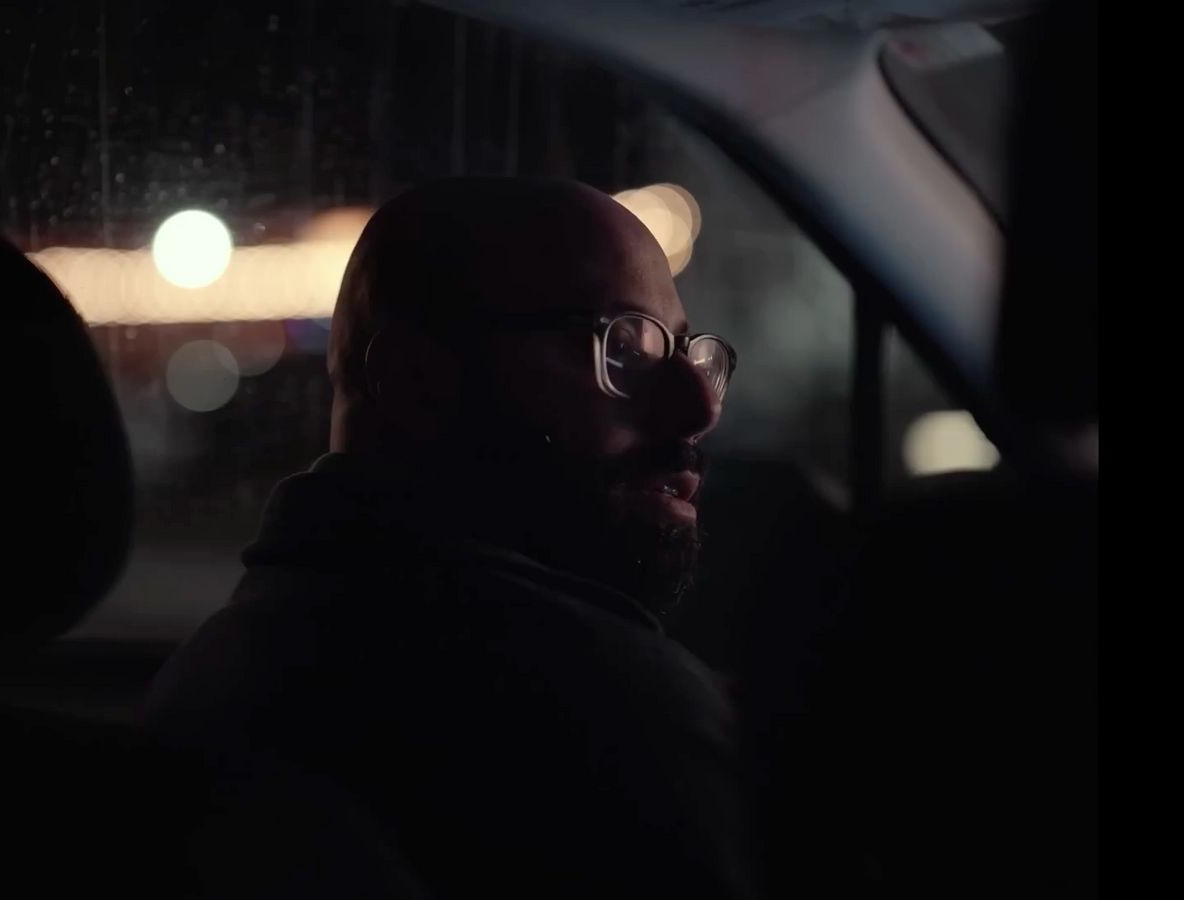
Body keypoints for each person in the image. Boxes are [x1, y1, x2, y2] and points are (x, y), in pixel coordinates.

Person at [145, 177, 749, 898]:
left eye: (689, 352)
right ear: (416, 378)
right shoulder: (618, 720)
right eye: (625, 348)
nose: (699, 407)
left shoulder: (224, 663)